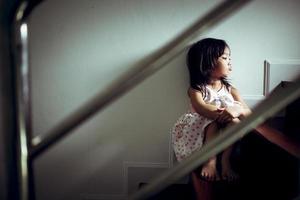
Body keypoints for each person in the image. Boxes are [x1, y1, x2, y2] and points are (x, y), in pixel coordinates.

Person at [171, 38, 251, 182]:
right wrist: (226, 110)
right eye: (225, 58)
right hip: (201, 126)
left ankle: (225, 161)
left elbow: (248, 114)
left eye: (229, 58)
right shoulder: (197, 89)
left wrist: (237, 110)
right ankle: (210, 161)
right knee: (212, 122)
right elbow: (202, 108)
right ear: (208, 63)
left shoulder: (231, 90)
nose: (229, 62)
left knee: (236, 124)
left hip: (225, 126)